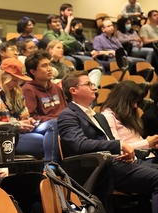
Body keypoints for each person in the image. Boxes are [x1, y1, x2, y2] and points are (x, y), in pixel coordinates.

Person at [57, 71, 158, 213]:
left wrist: (123, 152)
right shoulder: (68, 115)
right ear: (73, 90)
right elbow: (79, 145)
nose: (94, 88)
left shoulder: (98, 116)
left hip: (117, 163)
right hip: (99, 170)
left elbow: (108, 143)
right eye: (88, 84)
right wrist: (119, 145)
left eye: (93, 84)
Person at [0, 57, 54, 160]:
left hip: (17, 133)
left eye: (19, 80)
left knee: (53, 125)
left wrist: (28, 121)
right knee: (45, 141)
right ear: (4, 76)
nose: (17, 83)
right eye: (15, 80)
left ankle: (50, 166)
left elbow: (24, 115)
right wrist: (15, 125)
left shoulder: (16, 92)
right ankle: (49, 166)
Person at [22, 50, 67, 162]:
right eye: (44, 66)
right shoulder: (28, 89)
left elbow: (65, 110)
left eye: (50, 65)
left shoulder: (56, 87)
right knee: (54, 124)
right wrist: (58, 120)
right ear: (33, 71)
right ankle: (50, 167)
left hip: (60, 124)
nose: (49, 69)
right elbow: (32, 116)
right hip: (41, 126)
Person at [101, 81, 158, 159]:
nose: (135, 106)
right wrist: (147, 143)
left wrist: (152, 144)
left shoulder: (127, 114)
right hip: (134, 160)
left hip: (147, 156)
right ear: (122, 101)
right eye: (133, 102)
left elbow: (137, 140)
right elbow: (117, 148)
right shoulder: (108, 116)